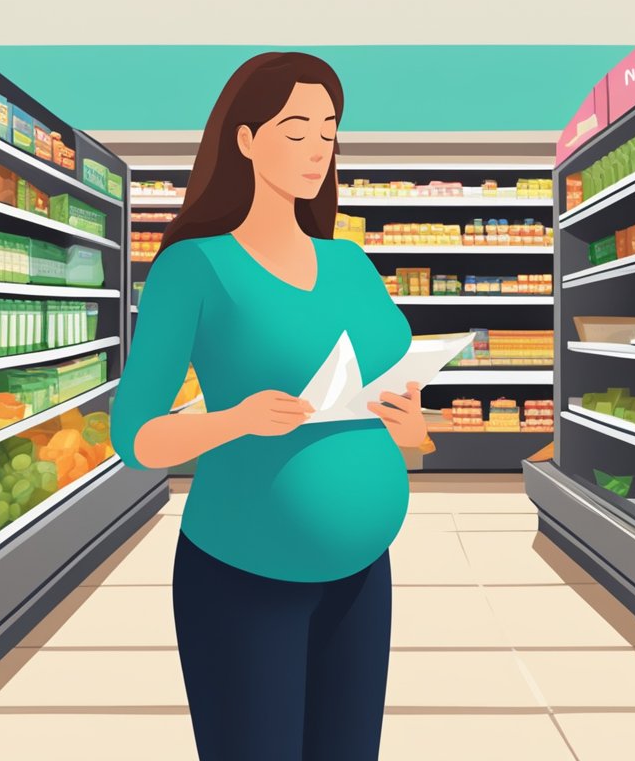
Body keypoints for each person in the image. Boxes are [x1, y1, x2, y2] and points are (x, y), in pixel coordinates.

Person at [111, 52, 428, 761]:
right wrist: (233, 421)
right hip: (244, 580)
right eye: (297, 129)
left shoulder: (351, 262)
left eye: (329, 130)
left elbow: (389, 385)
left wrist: (413, 433)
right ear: (245, 139)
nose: (319, 146)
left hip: (361, 574)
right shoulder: (195, 267)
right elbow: (134, 437)